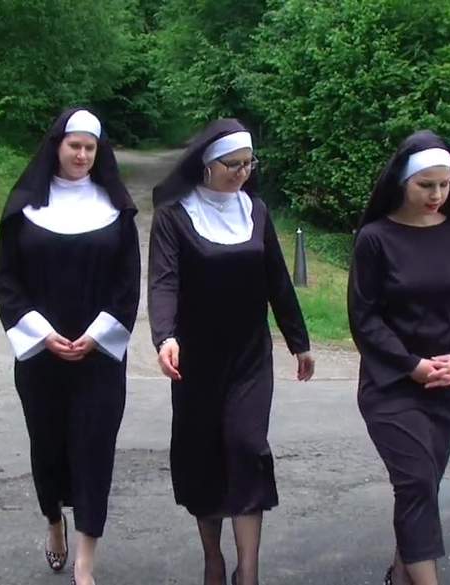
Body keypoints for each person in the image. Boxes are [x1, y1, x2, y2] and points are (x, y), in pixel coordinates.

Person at [147, 118, 315, 585]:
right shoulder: (175, 216)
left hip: (249, 356)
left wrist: (299, 342)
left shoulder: (255, 211)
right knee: (204, 456)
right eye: (232, 164)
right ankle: (213, 559)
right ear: (207, 164)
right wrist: (165, 337)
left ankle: (250, 573)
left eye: (248, 164)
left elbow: (277, 279)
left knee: (246, 447)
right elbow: (163, 282)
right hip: (196, 361)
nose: (242, 172)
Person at [348, 130, 450, 585]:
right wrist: (412, 366)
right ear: (403, 182)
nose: (437, 194)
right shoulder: (375, 239)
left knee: (421, 488)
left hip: (447, 386)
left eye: (444, 184)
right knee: (417, 482)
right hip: (391, 385)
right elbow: (364, 318)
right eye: (426, 185)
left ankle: (399, 576)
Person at [0, 108, 140, 585]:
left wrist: (97, 335)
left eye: (90, 148)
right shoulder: (24, 207)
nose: (81, 155)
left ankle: (84, 563)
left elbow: (127, 284)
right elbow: (7, 281)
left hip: (99, 358)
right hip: (41, 357)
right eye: (74, 145)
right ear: (57, 145)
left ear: (99, 152)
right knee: (48, 447)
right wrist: (40, 333)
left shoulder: (116, 209)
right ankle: (54, 520)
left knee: (95, 450)